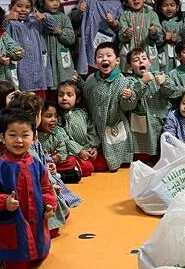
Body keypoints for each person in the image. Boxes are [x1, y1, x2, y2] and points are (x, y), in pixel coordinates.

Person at [0, 108, 56, 269]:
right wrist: (4, 201)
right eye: (12, 135)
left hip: (37, 220)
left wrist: (49, 204)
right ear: (2, 138)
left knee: (41, 254)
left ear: (34, 138)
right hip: (11, 221)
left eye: (25, 135)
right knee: (17, 265)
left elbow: (46, 188)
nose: (19, 140)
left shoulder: (36, 163)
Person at [8, 91, 80, 239]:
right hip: (37, 189)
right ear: (36, 117)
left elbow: (42, 158)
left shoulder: (32, 136)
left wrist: (49, 163)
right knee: (53, 223)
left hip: (44, 180)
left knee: (63, 211)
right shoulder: (27, 143)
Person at [79, 43, 140, 171]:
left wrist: (129, 97)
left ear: (117, 60)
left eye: (108, 55)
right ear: (95, 62)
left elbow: (128, 107)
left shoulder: (123, 81)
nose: (104, 59)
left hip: (114, 125)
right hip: (94, 126)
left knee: (112, 162)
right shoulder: (91, 79)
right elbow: (86, 98)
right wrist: (79, 83)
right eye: (100, 56)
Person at [72, 0, 123, 76]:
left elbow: (122, 28)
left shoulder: (117, 3)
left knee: (108, 75)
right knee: (91, 78)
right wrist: (80, 11)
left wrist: (113, 22)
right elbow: (74, 22)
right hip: (89, 47)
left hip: (109, 46)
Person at [3, 0, 54, 95]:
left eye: (27, 7)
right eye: (19, 6)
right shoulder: (11, 24)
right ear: (11, 7)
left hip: (39, 66)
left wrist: (44, 16)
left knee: (39, 100)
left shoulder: (35, 21)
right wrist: (6, 18)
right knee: (23, 98)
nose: (23, 10)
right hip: (21, 68)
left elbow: (53, 26)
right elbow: (2, 35)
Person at [126, 48, 169, 165]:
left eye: (144, 59)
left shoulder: (159, 76)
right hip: (143, 125)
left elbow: (173, 93)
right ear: (130, 67)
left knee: (163, 152)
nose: (141, 62)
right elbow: (132, 97)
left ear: (149, 62)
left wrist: (164, 83)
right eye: (136, 60)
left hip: (160, 119)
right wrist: (143, 82)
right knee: (144, 158)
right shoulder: (129, 80)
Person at [55, 79, 106, 175]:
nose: (64, 98)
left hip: (86, 149)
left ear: (77, 99)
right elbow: (64, 139)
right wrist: (79, 151)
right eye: (60, 95)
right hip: (71, 152)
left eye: (69, 95)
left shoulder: (83, 113)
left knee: (102, 164)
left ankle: (81, 165)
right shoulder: (57, 117)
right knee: (87, 168)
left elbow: (91, 131)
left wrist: (94, 147)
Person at [34, 0, 76, 89]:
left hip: (61, 58)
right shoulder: (37, 18)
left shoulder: (63, 18)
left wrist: (60, 32)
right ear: (41, 2)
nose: (56, 3)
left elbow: (71, 39)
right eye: (51, 0)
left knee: (64, 86)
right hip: (45, 57)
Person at [118, 0, 162, 72]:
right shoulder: (124, 15)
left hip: (148, 51)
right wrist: (126, 33)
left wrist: (154, 32)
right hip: (129, 51)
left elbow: (159, 33)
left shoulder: (152, 14)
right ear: (126, 2)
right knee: (130, 77)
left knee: (149, 75)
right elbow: (121, 35)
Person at [36, 102, 82, 183]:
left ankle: (58, 175)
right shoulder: (35, 135)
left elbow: (63, 148)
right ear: (38, 118)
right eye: (49, 116)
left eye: (55, 116)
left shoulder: (59, 132)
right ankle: (60, 177)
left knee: (71, 160)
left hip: (58, 164)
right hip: (43, 164)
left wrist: (59, 157)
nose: (53, 119)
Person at [154, 0, 184, 72]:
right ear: (160, 8)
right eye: (165, 5)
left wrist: (178, 39)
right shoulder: (159, 22)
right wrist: (164, 38)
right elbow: (155, 41)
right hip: (163, 56)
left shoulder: (181, 23)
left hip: (177, 56)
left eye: (172, 5)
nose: (169, 8)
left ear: (177, 7)